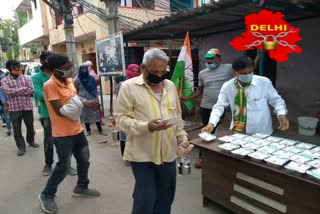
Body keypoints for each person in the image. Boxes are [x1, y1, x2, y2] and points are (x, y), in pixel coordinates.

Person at [114, 48, 193, 214]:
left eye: (163, 71)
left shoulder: (170, 86)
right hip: (142, 156)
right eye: (155, 71)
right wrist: (147, 126)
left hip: (168, 154)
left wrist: (183, 139)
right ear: (143, 67)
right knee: (145, 199)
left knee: (166, 198)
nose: (159, 75)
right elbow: (120, 119)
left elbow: (176, 117)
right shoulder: (128, 87)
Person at [38, 54, 100, 214]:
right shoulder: (49, 85)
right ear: (55, 70)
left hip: (77, 130)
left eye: (71, 66)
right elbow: (61, 111)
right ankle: (47, 195)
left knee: (84, 160)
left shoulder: (70, 81)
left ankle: (81, 187)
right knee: (63, 166)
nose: (70, 70)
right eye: (66, 68)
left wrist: (82, 101)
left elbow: (73, 97)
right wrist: (84, 103)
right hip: (62, 134)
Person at [202, 56, 289, 135]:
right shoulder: (228, 86)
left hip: (261, 131)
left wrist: (281, 114)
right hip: (237, 131)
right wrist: (211, 123)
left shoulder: (264, 82)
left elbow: (277, 101)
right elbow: (219, 106)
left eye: (250, 72)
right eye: (243, 73)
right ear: (235, 72)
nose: (248, 75)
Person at [181, 48, 233, 168]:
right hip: (206, 106)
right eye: (207, 59)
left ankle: (211, 155)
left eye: (212, 58)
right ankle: (203, 157)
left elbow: (245, 70)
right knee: (208, 131)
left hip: (220, 107)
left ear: (219, 58)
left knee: (216, 130)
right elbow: (200, 90)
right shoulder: (202, 73)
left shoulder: (229, 68)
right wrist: (188, 98)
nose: (209, 61)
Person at [32, 51, 77, 176]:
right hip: (48, 114)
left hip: (66, 112)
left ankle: (67, 165)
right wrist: (62, 99)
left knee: (65, 142)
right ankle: (48, 164)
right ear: (42, 61)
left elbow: (72, 93)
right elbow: (40, 95)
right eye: (47, 59)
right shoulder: (37, 78)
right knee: (49, 141)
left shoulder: (63, 75)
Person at [1, 60, 39, 156]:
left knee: (30, 126)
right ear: (9, 68)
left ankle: (31, 141)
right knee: (17, 129)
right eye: (15, 67)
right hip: (14, 108)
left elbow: (31, 90)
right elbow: (8, 92)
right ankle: (21, 147)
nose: (18, 68)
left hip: (27, 107)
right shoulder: (4, 80)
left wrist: (15, 91)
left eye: (18, 66)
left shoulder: (26, 78)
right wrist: (24, 89)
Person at [115, 64, 140, 157]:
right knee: (124, 134)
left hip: (137, 112)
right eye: (133, 71)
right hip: (125, 112)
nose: (135, 73)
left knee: (136, 133)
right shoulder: (121, 85)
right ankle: (125, 156)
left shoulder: (140, 83)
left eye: (137, 71)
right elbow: (117, 100)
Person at [74, 65, 107, 136]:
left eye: (86, 70)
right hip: (83, 99)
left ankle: (100, 130)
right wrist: (78, 99)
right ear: (80, 70)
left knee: (96, 113)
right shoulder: (77, 79)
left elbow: (95, 87)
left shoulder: (91, 78)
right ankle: (88, 130)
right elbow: (76, 90)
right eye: (83, 70)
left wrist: (95, 95)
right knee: (85, 115)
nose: (84, 71)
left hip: (92, 97)